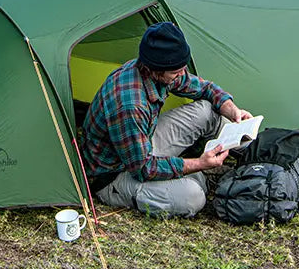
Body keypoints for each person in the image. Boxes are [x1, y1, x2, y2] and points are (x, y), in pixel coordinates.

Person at [81, 21, 253, 218]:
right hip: (116, 173)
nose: (181, 74)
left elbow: (205, 88)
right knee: (193, 196)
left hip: (142, 141)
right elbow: (144, 169)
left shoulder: (162, 69)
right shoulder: (130, 105)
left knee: (208, 110)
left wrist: (232, 110)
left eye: (182, 68)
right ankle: (180, 181)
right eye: (175, 72)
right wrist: (198, 164)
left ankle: (251, 151)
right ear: (155, 69)